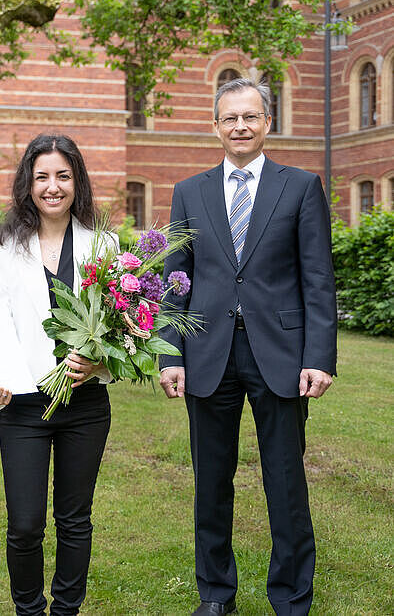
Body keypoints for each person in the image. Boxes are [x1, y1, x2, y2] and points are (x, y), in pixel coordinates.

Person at [159, 78, 337, 616]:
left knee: (285, 483)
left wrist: (318, 357)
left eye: (251, 117)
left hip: (280, 355)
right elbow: (175, 278)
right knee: (210, 483)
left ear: (267, 123)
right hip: (207, 354)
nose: (240, 126)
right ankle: (215, 595)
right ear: (215, 126)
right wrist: (171, 353)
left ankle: (290, 597)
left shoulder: (301, 186)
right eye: (230, 118)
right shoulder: (189, 191)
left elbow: (318, 279)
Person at [0, 134, 117, 615]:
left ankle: (66, 611)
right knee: (24, 523)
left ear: (76, 181)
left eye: (63, 175)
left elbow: (125, 333)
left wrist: (101, 364)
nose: (52, 187)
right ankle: (29, 610)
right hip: (23, 406)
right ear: (27, 184)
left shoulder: (105, 244)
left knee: (75, 519)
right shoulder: (1, 247)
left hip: (86, 404)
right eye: (42, 177)